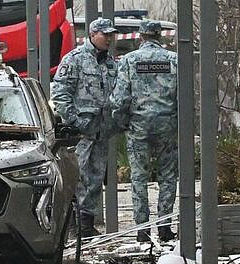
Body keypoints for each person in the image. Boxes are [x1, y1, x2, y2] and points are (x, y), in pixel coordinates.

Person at [51, 16, 121, 236]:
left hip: (101, 130)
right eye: (104, 35)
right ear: (92, 35)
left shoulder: (111, 63)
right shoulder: (75, 59)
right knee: (77, 176)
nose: (109, 39)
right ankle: (73, 225)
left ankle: (86, 225)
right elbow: (60, 94)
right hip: (80, 132)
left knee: (95, 178)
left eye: (111, 35)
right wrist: (74, 121)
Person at [111, 20, 178, 243]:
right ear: (160, 36)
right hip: (167, 126)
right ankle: (165, 227)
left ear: (140, 37)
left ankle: (143, 229)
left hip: (138, 127)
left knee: (139, 177)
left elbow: (120, 98)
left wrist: (121, 122)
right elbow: (183, 95)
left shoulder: (129, 60)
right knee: (168, 177)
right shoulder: (173, 60)